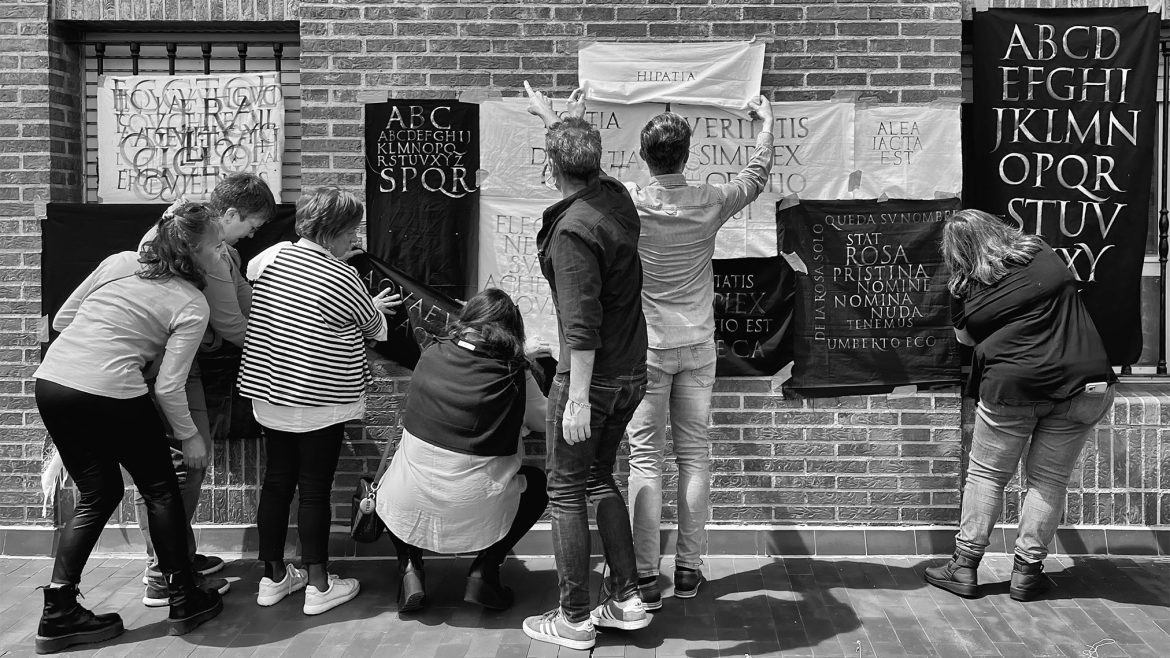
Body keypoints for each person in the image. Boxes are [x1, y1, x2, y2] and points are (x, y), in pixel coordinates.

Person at [33, 202, 227, 653]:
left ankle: (58, 610)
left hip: (54, 382)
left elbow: (64, 320)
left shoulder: (120, 262)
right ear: (192, 254)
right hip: (111, 389)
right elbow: (169, 386)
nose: (222, 253)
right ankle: (183, 598)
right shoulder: (192, 302)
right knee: (161, 488)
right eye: (216, 247)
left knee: (99, 492)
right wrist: (190, 435)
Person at [619, 99, 775, 607]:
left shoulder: (631, 202)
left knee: (645, 459)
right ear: (687, 155)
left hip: (649, 348)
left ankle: (644, 577)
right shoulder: (710, 199)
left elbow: (586, 174)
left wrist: (561, 122)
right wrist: (766, 126)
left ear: (645, 157)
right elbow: (755, 177)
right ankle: (688, 569)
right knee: (694, 458)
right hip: (698, 346)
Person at [925, 209, 1117, 601]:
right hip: (1085, 382)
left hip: (1012, 389)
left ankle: (963, 567)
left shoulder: (964, 289)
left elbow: (965, 340)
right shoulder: (1042, 253)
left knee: (986, 476)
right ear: (996, 229)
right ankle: (1027, 573)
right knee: (1049, 480)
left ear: (956, 252)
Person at [520, 83, 650, 651]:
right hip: (630, 375)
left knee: (567, 492)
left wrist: (574, 398)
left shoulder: (574, 231)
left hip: (590, 381)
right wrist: (562, 121)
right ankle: (626, 599)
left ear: (553, 171)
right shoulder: (615, 198)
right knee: (599, 477)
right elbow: (583, 164)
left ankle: (573, 618)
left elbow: (581, 325)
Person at [238, 187, 402, 616]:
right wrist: (372, 305)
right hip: (321, 399)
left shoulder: (269, 258)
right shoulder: (343, 276)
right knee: (314, 489)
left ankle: (272, 578)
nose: (354, 240)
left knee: (276, 484)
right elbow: (375, 329)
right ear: (331, 233)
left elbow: (266, 280)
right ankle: (319, 584)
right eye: (350, 232)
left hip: (270, 392)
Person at [135, 173, 276, 607]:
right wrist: (281, 343)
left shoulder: (220, 250)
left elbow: (243, 299)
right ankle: (164, 572)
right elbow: (232, 322)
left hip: (177, 360)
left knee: (180, 466)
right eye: (251, 223)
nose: (253, 233)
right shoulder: (211, 252)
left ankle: (174, 558)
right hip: (168, 363)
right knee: (182, 465)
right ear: (229, 214)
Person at [377, 289, 550, 613]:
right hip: (474, 504)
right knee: (538, 485)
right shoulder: (514, 371)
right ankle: (485, 571)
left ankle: (410, 569)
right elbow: (542, 420)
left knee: (400, 481)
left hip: (408, 502)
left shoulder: (430, 353)